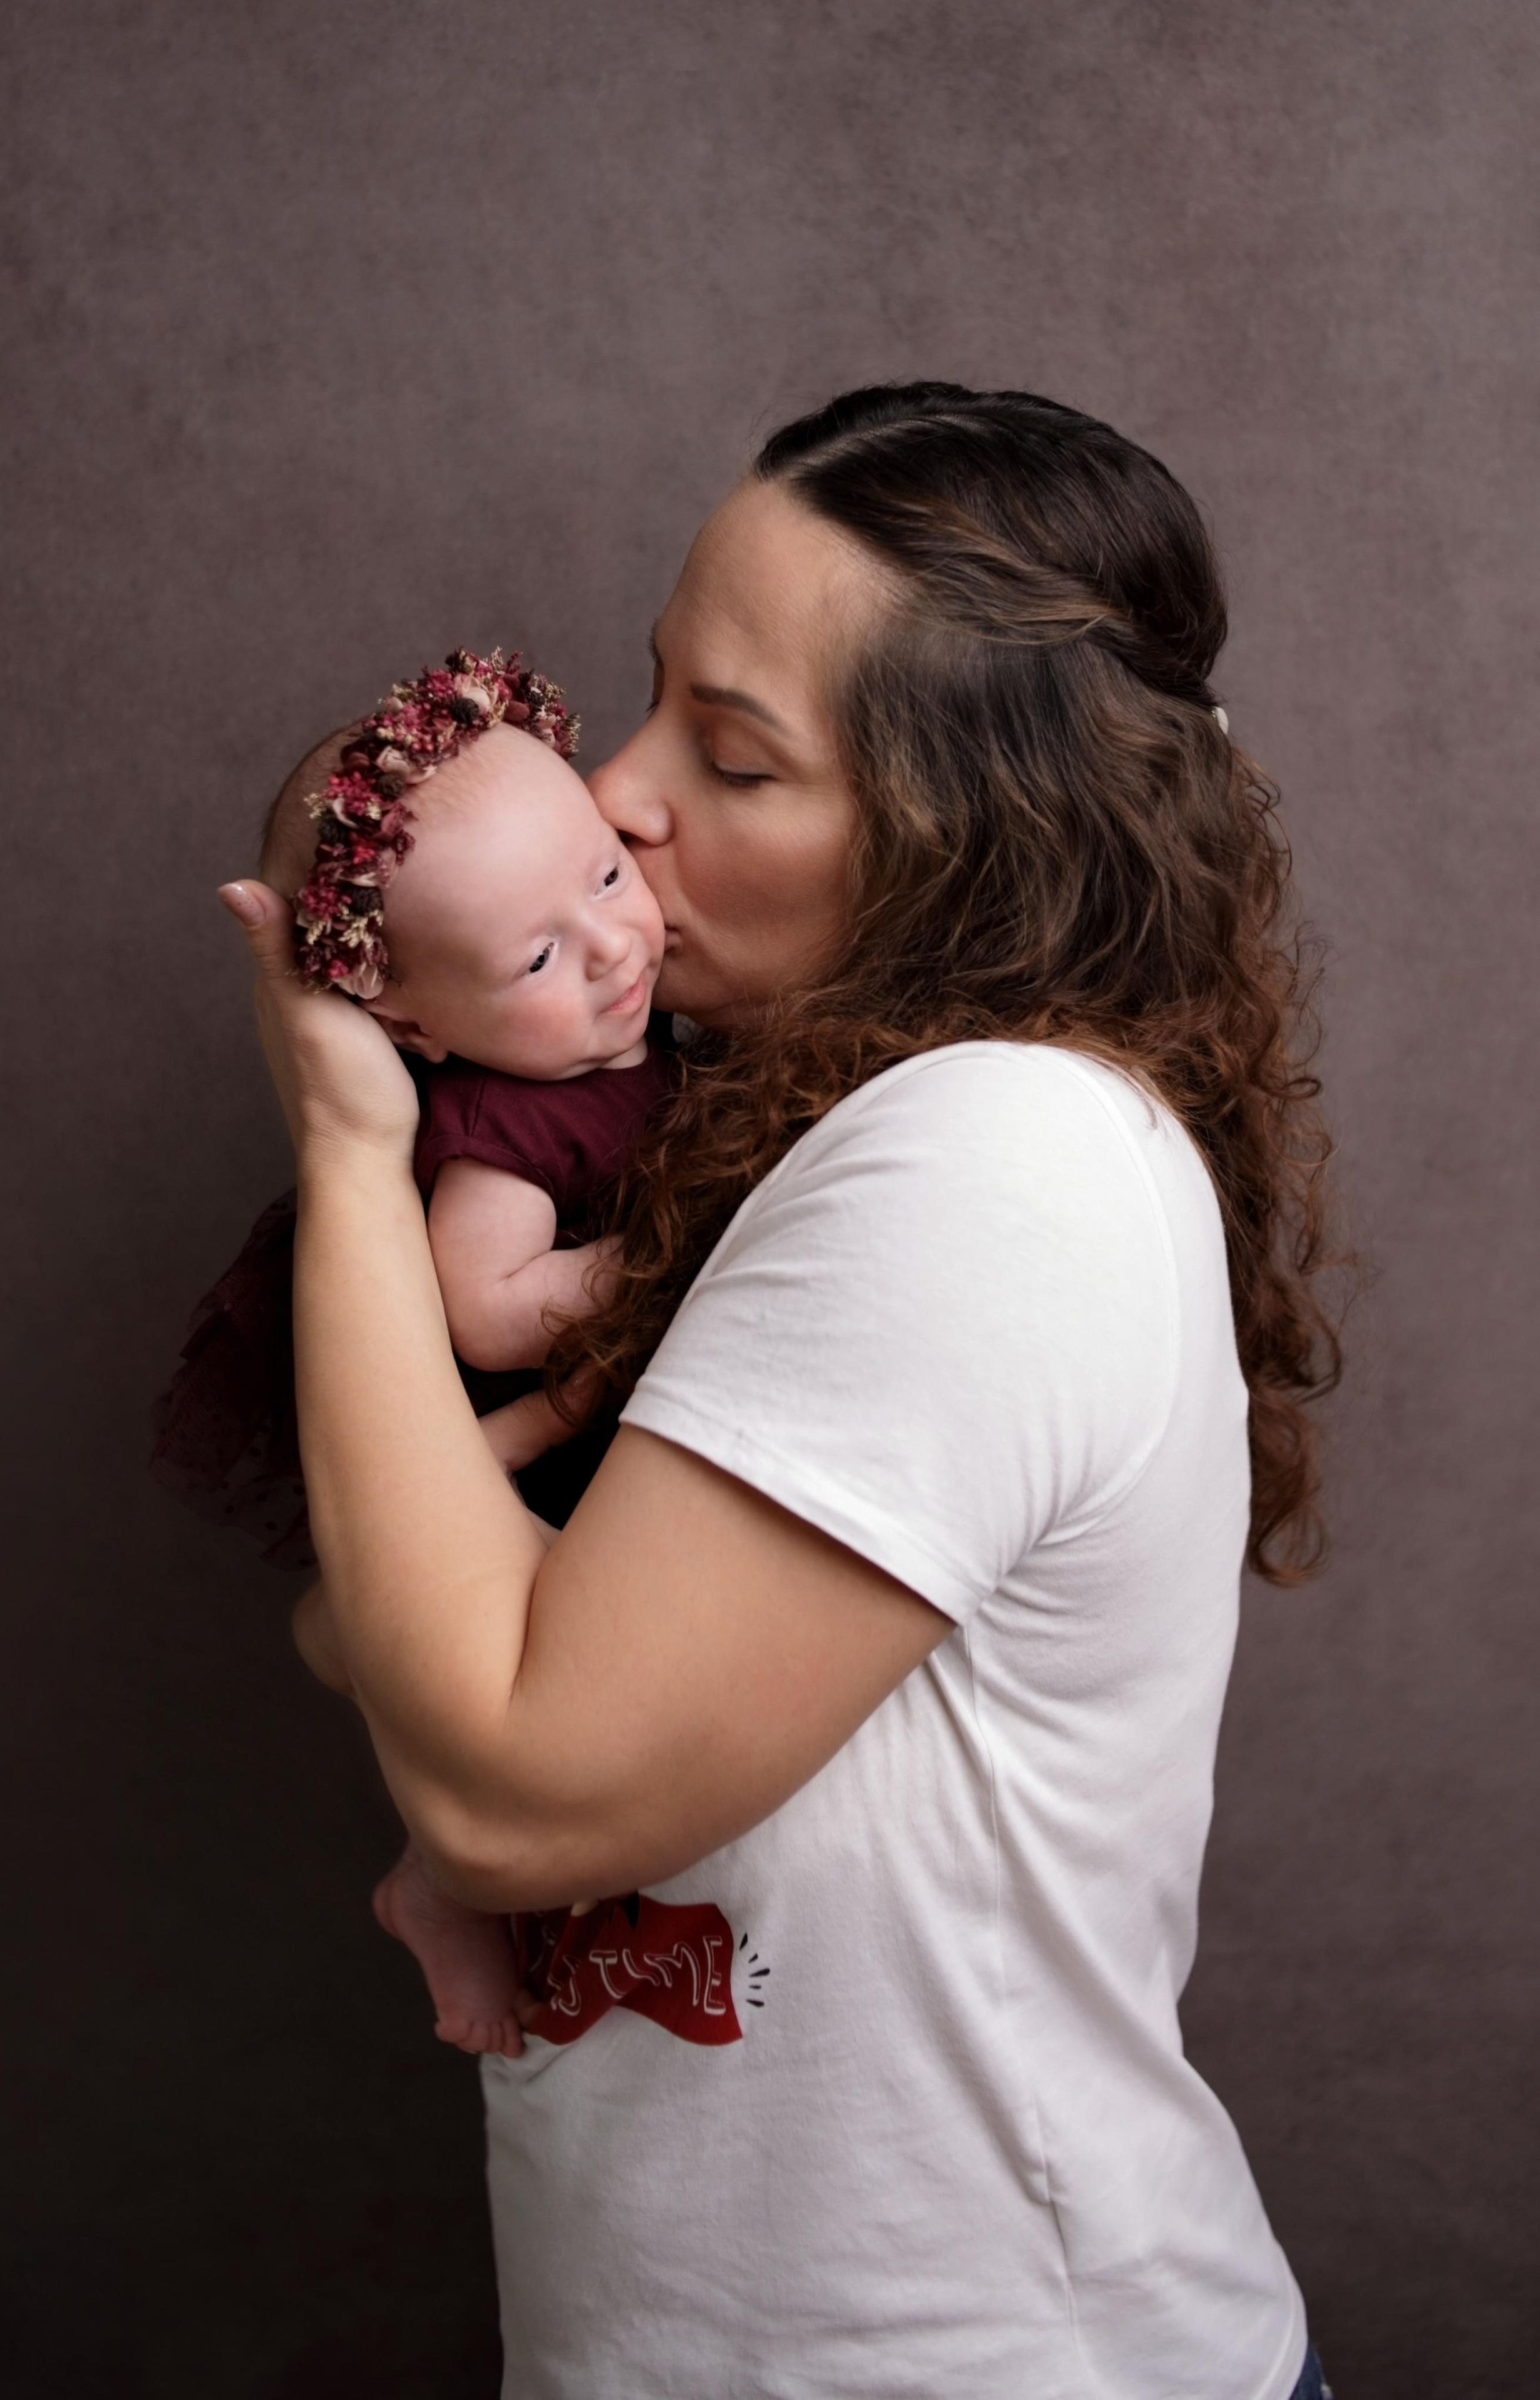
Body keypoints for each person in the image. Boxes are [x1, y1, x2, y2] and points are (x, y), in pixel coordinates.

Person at [219, 383, 1338, 2400]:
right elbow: (383, 1619)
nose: (619, 792)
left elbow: (497, 1766)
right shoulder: (762, 1138)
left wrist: (345, 1146)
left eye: (731, 756)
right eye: (649, 702)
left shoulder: (992, 1155)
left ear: (962, 849)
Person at [161, 648, 672, 2054]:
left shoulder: (651, 1037)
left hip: (599, 1436)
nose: (614, 946)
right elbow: (488, 1309)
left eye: (608, 878)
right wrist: (670, 1252)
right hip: (532, 1470)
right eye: (535, 958)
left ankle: (443, 1862)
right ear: (405, 1023)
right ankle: (442, 1883)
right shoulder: (507, 1136)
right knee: (554, 1697)